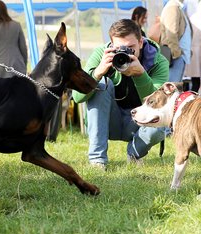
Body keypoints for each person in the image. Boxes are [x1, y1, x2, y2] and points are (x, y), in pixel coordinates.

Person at [72, 19, 169, 170]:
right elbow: (77, 97)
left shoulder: (158, 61)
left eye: (131, 48)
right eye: (119, 49)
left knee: (162, 122)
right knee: (102, 84)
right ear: (111, 46)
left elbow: (158, 104)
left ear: (141, 42)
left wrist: (141, 74)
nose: (125, 53)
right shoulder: (101, 54)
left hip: (139, 124)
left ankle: (134, 153)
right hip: (110, 120)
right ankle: (97, 160)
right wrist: (97, 73)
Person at [0, 0, 27, 77]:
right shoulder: (17, 25)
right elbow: (23, 48)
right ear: (5, 10)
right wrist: (24, 65)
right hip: (17, 67)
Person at [160, 0, 192, 82]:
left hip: (177, 55)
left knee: (174, 88)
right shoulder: (172, 7)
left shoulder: (177, 7)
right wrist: (177, 53)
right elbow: (171, 33)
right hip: (174, 56)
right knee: (172, 89)